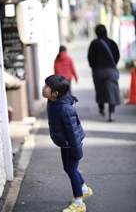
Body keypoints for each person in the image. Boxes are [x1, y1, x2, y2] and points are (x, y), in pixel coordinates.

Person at [42, 74, 93, 212]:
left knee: (71, 170)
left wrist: (77, 152)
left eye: (46, 86)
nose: (43, 88)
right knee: (69, 169)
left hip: (72, 142)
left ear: (55, 93)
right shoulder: (53, 101)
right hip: (66, 142)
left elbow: (73, 132)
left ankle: (79, 203)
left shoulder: (65, 109)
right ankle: (84, 189)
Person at [87, 24, 120, 122]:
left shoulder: (94, 44)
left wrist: (94, 66)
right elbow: (117, 56)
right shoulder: (112, 43)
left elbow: (90, 58)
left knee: (100, 90)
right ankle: (111, 113)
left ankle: (101, 109)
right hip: (111, 70)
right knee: (112, 91)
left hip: (98, 71)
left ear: (96, 33)